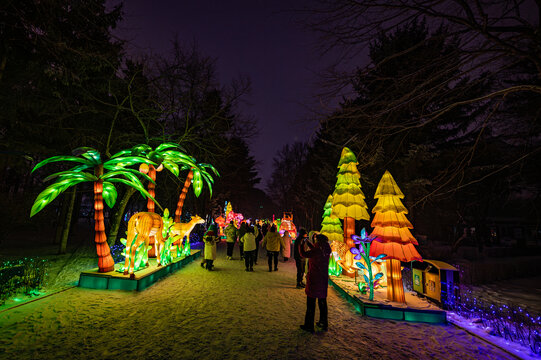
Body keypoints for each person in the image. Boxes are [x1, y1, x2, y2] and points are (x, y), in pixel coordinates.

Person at [299, 233, 331, 333]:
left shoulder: (317, 250)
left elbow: (304, 254)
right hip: (323, 279)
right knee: (322, 302)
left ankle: (309, 325)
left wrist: (301, 245)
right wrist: (309, 243)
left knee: (311, 304)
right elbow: (315, 250)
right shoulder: (325, 249)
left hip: (314, 279)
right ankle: (323, 322)